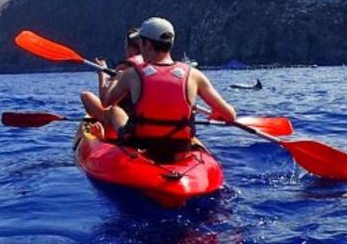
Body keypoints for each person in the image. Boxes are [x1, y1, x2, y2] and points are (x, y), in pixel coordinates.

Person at [81, 17, 236, 159]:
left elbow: (107, 102)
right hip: (179, 147)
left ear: (148, 45)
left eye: (141, 43)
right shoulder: (194, 75)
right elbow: (230, 115)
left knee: (115, 111)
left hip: (140, 144)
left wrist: (117, 79)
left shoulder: (131, 74)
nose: (140, 48)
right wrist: (216, 113)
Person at [80, 28, 142, 135]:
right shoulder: (152, 65)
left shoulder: (123, 68)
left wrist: (102, 73)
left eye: (126, 45)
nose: (125, 48)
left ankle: (107, 122)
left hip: (124, 117)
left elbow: (105, 100)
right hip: (143, 116)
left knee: (86, 96)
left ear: (130, 48)